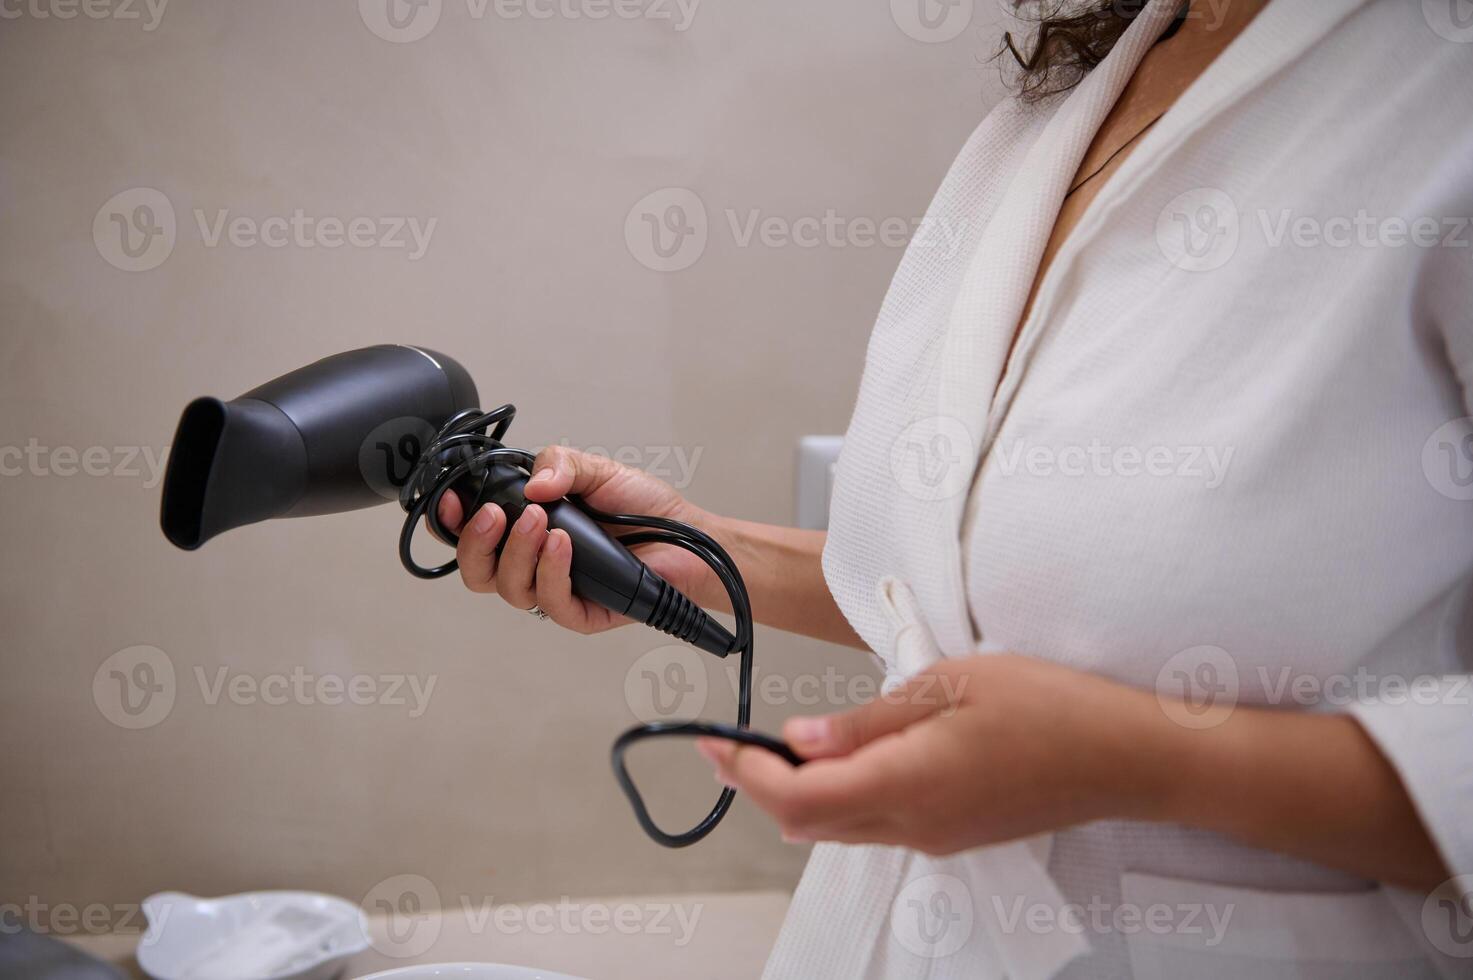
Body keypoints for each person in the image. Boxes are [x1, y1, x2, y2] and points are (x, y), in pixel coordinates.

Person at [435, 0, 1473, 975]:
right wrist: (709, 548)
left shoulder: (1436, 90)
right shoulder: (1056, 108)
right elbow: (978, 590)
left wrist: (1145, 761)